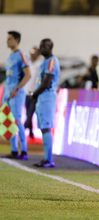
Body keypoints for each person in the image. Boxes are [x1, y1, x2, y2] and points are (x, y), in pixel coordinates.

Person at [30, 39, 60, 168]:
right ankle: (46, 158)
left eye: (44, 46)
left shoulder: (52, 61)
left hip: (47, 98)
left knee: (46, 127)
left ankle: (49, 160)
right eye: (41, 45)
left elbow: (47, 82)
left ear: (50, 47)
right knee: (43, 128)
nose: (41, 48)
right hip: (42, 99)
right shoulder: (45, 62)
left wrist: (35, 93)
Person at [2, 31, 31, 160]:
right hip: (8, 93)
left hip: (16, 93)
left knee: (17, 121)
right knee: (9, 121)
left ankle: (24, 151)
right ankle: (14, 150)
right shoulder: (11, 56)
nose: (7, 41)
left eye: (9, 39)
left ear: (16, 40)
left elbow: (28, 75)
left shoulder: (21, 55)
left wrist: (17, 89)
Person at [24, 46, 44, 139]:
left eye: (34, 53)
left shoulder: (40, 64)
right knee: (28, 112)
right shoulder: (28, 63)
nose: (32, 55)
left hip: (35, 93)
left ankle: (24, 127)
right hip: (26, 93)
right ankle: (31, 132)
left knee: (31, 113)